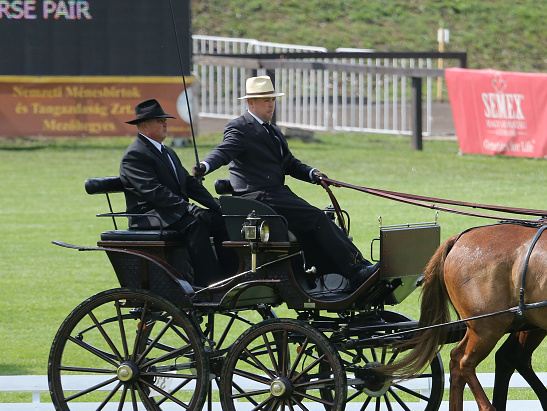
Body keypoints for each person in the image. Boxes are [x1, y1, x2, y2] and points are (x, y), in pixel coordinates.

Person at [193, 75, 378, 291]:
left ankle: (332, 273)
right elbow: (223, 151)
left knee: (317, 220)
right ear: (250, 103)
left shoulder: (273, 131)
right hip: (257, 197)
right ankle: (355, 270)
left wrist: (313, 174)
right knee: (316, 217)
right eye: (265, 100)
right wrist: (205, 165)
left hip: (277, 194)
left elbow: (289, 163)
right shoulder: (240, 127)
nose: (270, 104)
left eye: (272, 99)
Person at [120, 98, 235, 286]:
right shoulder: (135, 155)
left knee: (221, 219)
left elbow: (189, 183)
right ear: (144, 126)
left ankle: (230, 276)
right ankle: (209, 283)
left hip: (172, 212)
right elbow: (155, 192)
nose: (165, 123)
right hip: (150, 215)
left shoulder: (167, 152)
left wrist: (215, 204)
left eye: (164, 119)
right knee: (196, 223)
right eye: (159, 120)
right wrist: (189, 208)